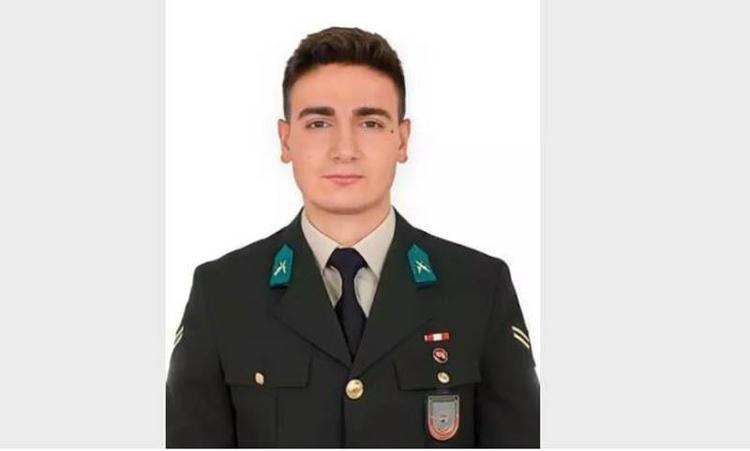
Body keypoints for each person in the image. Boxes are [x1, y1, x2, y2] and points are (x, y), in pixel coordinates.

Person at [166, 26, 539, 448]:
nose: (345, 149)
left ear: (403, 139)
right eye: (319, 123)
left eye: (370, 123)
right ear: (286, 140)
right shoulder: (223, 294)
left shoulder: (479, 288)